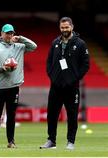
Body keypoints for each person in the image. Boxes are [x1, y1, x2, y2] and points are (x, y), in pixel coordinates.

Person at [0, 24, 37, 148]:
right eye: (7, 33)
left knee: (11, 115)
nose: (9, 35)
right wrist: (1, 68)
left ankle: (11, 141)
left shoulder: (19, 47)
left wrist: (21, 38)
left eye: (11, 33)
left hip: (14, 86)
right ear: (2, 33)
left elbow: (34, 46)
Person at [40, 17, 90, 150]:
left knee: (72, 115)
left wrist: (74, 78)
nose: (64, 30)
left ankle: (70, 142)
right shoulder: (55, 42)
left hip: (72, 87)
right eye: (62, 27)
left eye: (67, 27)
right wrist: (52, 76)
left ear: (72, 27)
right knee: (52, 114)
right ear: (59, 28)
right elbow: (49, 62)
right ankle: (51, 141)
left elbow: (85, 65)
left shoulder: (80, 44)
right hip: (56, 86)